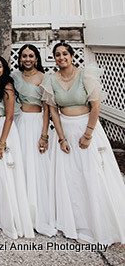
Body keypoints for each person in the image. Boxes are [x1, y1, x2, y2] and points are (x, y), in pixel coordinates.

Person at [42, 41, 125, 245]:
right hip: (65, 132)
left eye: (64, 54)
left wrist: (88, 134)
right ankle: (75, 224)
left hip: (86, 129)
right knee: (70, 179)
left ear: (71, 56)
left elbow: (95, 106)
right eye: (57, 55)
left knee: (92, 174)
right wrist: (60, 138)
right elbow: (53, 109)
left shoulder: (85, 76)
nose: (61, 58)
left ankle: (98, 225)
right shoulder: (51, 79)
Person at [0, 54, 34, 239]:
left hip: (4, 130)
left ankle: (11, 219)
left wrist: (1, 143)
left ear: (4, 69)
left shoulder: (7, 87)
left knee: (6, 174)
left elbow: (10, 116)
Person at [11, 44, 56, 236]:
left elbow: (47, 108)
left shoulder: (44, 77)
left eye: (30, 56)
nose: (27, 59)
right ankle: (23, 212)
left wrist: (44, 134)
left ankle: (40, 212)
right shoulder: (14, 76)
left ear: (36, 58)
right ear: (20, 59)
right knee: (21, 165)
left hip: (37, 123)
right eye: (24, 56)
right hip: (20, 123)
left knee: (38, 167)